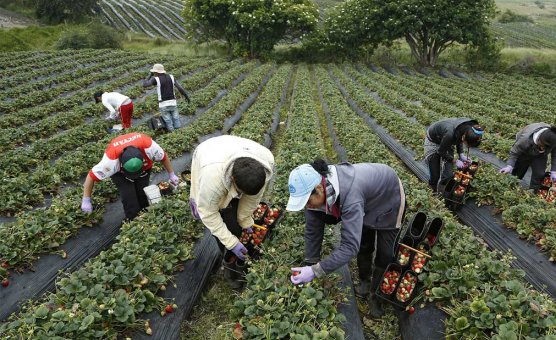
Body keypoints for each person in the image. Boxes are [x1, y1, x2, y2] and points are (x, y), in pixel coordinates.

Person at [286, 160, 406, 317]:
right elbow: (312, 230)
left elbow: (350, 246)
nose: (307, 206)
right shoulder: (315, 191)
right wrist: (310, 263)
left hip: (388, 196)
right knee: (364, 242)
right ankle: (365, 281)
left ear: (319, 189)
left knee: (385, 253)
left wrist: (316, 271)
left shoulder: (351, 195)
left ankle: (377, 296)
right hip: (366, 199)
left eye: (308, 201)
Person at [188, 135, 274, 289]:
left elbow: (253, 197)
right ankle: (228, 258)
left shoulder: (266, 162)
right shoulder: (213, 180)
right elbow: (208, 214)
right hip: (210, 153)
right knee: (221, 212)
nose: (241, 195)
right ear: (232, 179)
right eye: (240, 191)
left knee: (237, 217)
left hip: (234, 149)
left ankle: (236, 255)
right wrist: (231, 242)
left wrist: (245, 219)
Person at [81, 132, 178, 220]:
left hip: (144, 169)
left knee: (143, 191)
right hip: (120, 174)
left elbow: (163, 157)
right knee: (129, 197)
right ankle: (133, 219)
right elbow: (91, 176)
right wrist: (86, 200)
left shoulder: (149, 147)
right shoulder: (110, 161)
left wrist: (171, 174)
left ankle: (146, 214)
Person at [424, 118, 484, 192]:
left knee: (448, 173)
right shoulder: (450, 134)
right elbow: (441, 151)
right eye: (468, 144)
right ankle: (433, 188)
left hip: (446, 140)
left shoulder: (469, 128)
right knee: (435, 173)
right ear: (464, 137)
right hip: (434, 141)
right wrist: (455, 161)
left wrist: (461, 154)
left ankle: (444, 189)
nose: (467, 146)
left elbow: (459, 139)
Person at [499, 123, 556, 189]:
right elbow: (514, 152)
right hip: (524, 151)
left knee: (539, 174)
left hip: (541, 155)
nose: (542, 148)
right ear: (539, 139)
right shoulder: (525, 139)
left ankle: (533, 191)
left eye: (546, 148)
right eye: (542, 146)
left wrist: (554, 171)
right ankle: (511, 185)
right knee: (518, 170)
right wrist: (509, 166)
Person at [142, 63, 191, 132]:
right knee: (176, 118)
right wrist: (186, 96)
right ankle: (179, 132)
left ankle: (172, 134)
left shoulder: (156, 79)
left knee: (168, 121)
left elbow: (145, 85)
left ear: (155, 72)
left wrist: (150, 75)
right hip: (173, 103)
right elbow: (180, 88)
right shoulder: (171, 77)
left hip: (163, 104)